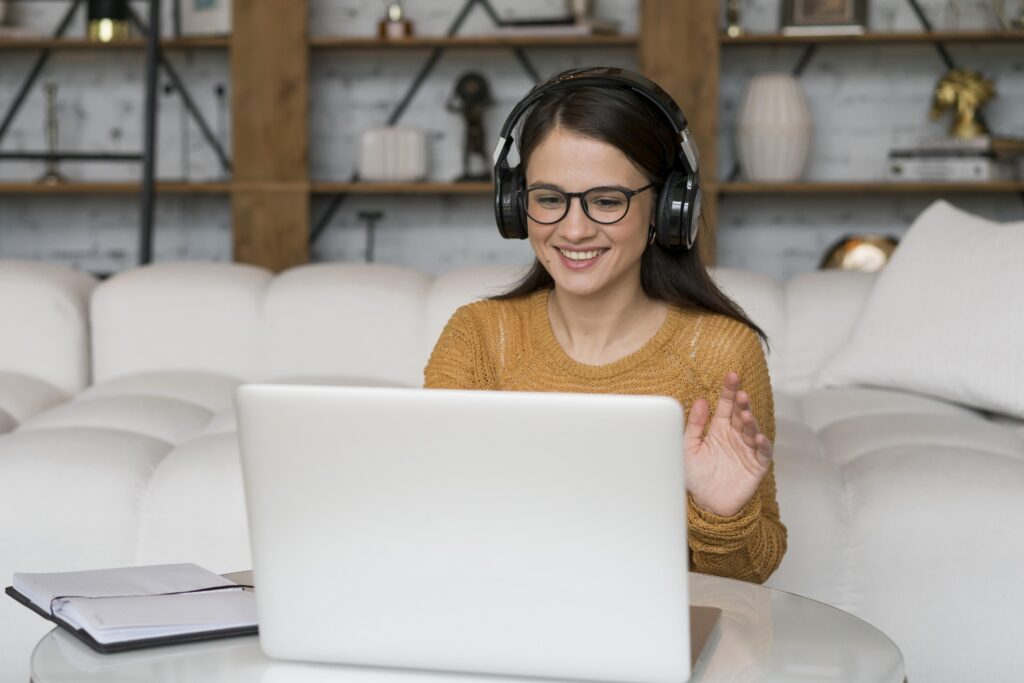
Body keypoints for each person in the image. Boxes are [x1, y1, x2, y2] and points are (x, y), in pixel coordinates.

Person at [424, 67, 786, 584]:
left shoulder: (720, 351)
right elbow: (436, 528)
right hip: (500, 610)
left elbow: (750, 577)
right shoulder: (479, 337)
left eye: (607, 201)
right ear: (515, 206)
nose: (574, 230)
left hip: (655, 626)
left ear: (667, 207)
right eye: (549, 199)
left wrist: (721, 515)